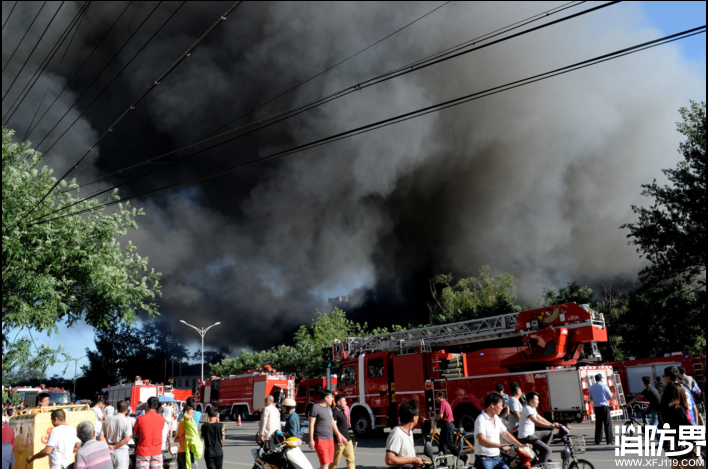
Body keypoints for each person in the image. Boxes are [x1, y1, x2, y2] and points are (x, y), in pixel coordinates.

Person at [474, 392, 530, 469]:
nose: (502, 408)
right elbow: (481, 440)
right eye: (501, 405)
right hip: (485, 459)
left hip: (497, 458)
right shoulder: (481, 419)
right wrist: (500, 446)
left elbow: (505, 434)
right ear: (492, 405)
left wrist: (521, 446)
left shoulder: (496, 418)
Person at [517, 391, 564, 463]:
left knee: (549, 433)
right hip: (526, 437)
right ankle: (541, 465)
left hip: (532, 434)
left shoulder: (532, 408)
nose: (538, 401)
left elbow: (540, 418)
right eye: (537, 399)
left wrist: (552, 425)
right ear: (530, 400)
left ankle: (542, 455)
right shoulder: (527, 408)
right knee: (548, 450)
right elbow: (536, 422)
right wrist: (552, 426)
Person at [660, 382, 698, 467]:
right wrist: (693, 442)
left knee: (676, 466)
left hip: (669, 444)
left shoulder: (662, 408)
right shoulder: (678, 408)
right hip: (681, 443)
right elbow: (685, 426)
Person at [308, 389, 347, 469]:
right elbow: (311, 425)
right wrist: (311, 440)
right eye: (331, 397)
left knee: (327, 463)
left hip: (330, 439)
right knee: (325, 463)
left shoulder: (329, 408)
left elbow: (333, 423)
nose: (332, 400)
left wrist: (339, 435)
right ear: (326, 398)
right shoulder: (315, 408)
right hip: (320, 439)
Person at [384, 399, 427, 467]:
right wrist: (412, 460)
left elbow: (404, 455)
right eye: (418, 414)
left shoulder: (409, 432)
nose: (419, 417)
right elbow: (389, 459)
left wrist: (417, 460)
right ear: (413, 418)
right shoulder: (397, 433)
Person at [133, 396, 165, 469]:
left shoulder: (140, 419)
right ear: (157, 406)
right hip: (157, 451)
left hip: (143, 452)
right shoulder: (161, 419)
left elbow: (135, 435)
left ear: (147, 405)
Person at [100, 400, 132, 469]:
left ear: (116, 408)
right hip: (121, 451)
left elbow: (101, 436)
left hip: (108, 451)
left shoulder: (107, 420)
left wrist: (108, 446)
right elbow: (127, 438)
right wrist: (114, 447)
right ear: (127, 410)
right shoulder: (127, 421)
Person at [330, 394, 354, 469]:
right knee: (335, 462)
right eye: (344, 401)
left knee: (351, 460)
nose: (346, 402)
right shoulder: (335, 412)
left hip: (348, 440)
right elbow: (334, 427)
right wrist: (341, 438)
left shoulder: (342, 410)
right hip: (339, 441)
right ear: (338, 402)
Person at [588, 374, 614, 445]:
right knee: (607, 423)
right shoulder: (604, 386)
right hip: (604, 406)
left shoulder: (591, 387)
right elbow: (610, 396)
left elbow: (590, 397)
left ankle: (598, 440)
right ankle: (609, 440)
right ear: (601, 379)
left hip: (597, 407)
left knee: (598, 424)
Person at [435, 391, 455, 457]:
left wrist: (435, 420)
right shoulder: (445, 403)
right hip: (449, 425)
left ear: (441, 397)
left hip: (446, 425)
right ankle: (443, 462)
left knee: (444, 444)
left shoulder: (442, 403)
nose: (436, 399)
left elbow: (440, 415)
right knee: (445, 444)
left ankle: (444, 463)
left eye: (437, 397)